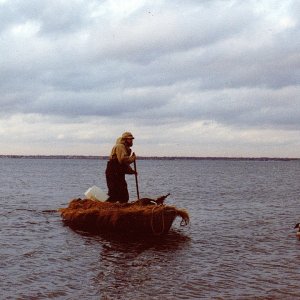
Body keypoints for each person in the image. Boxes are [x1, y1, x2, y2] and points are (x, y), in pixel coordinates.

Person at [105, 132, 137, 203]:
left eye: (132, 139)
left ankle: (121, 208)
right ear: (125, 139)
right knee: (114, 192)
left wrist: (131, 171)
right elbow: (123, 160)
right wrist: (133, 158)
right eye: (129, 139)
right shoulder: (120, 146)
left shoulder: (125, 148)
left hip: (117, 172)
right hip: (113, 171)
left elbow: (123, 165)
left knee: (123, 193)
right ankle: (111, 209)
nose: (131, 141)